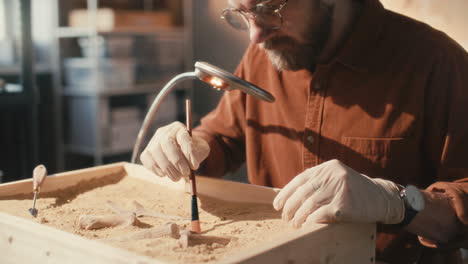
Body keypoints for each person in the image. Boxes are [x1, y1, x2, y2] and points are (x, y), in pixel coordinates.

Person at [140, 0, 468, 263]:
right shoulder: (262, 54)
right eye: (241, 14)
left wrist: (396, 202)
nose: (255, 35)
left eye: (269, 10)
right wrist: (188, 146)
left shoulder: (438, 63)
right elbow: (224, 137)